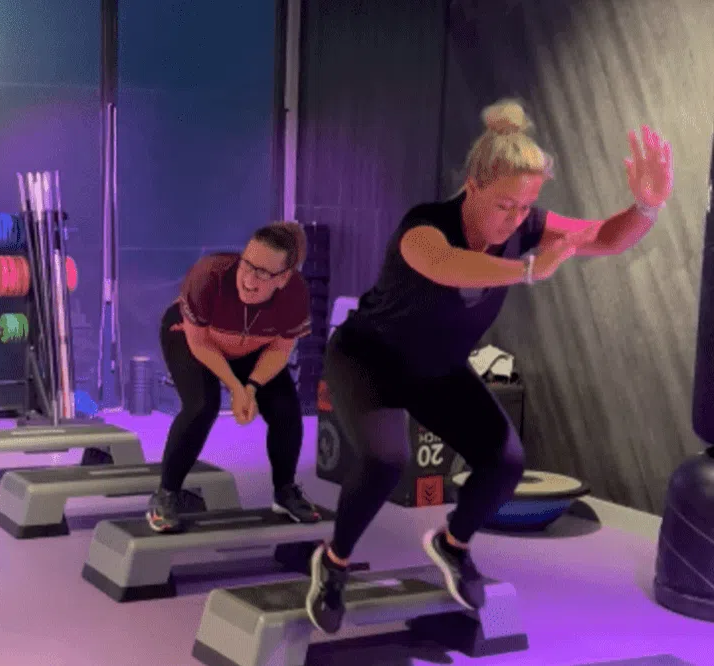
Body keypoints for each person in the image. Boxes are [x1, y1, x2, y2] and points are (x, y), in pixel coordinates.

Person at [305, 99, 674, 634]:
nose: (516, 219)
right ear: (472, 186)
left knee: (505, 461)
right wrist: (528, 270)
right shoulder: (424, 227)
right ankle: (334, 562)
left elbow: (606, 238)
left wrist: (645, 208)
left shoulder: (528, 227)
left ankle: (452, 545)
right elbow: (448, 267)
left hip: (437, 368)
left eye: (526, 207)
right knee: (385, 461)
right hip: (369, 359)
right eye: (505, 205)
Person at [147, 223, 324, 532]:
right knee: (202, 405)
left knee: (285, 409)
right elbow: (200, 344)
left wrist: (252, 387)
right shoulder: (208, 275)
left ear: (283, 278)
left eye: (263, 274)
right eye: (247, 265)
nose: (249, 280)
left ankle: (285, 491)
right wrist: (235, 388)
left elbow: (280, 350)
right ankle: (166, 494)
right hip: (192, 338)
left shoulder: (295, 294)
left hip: (253, 345)